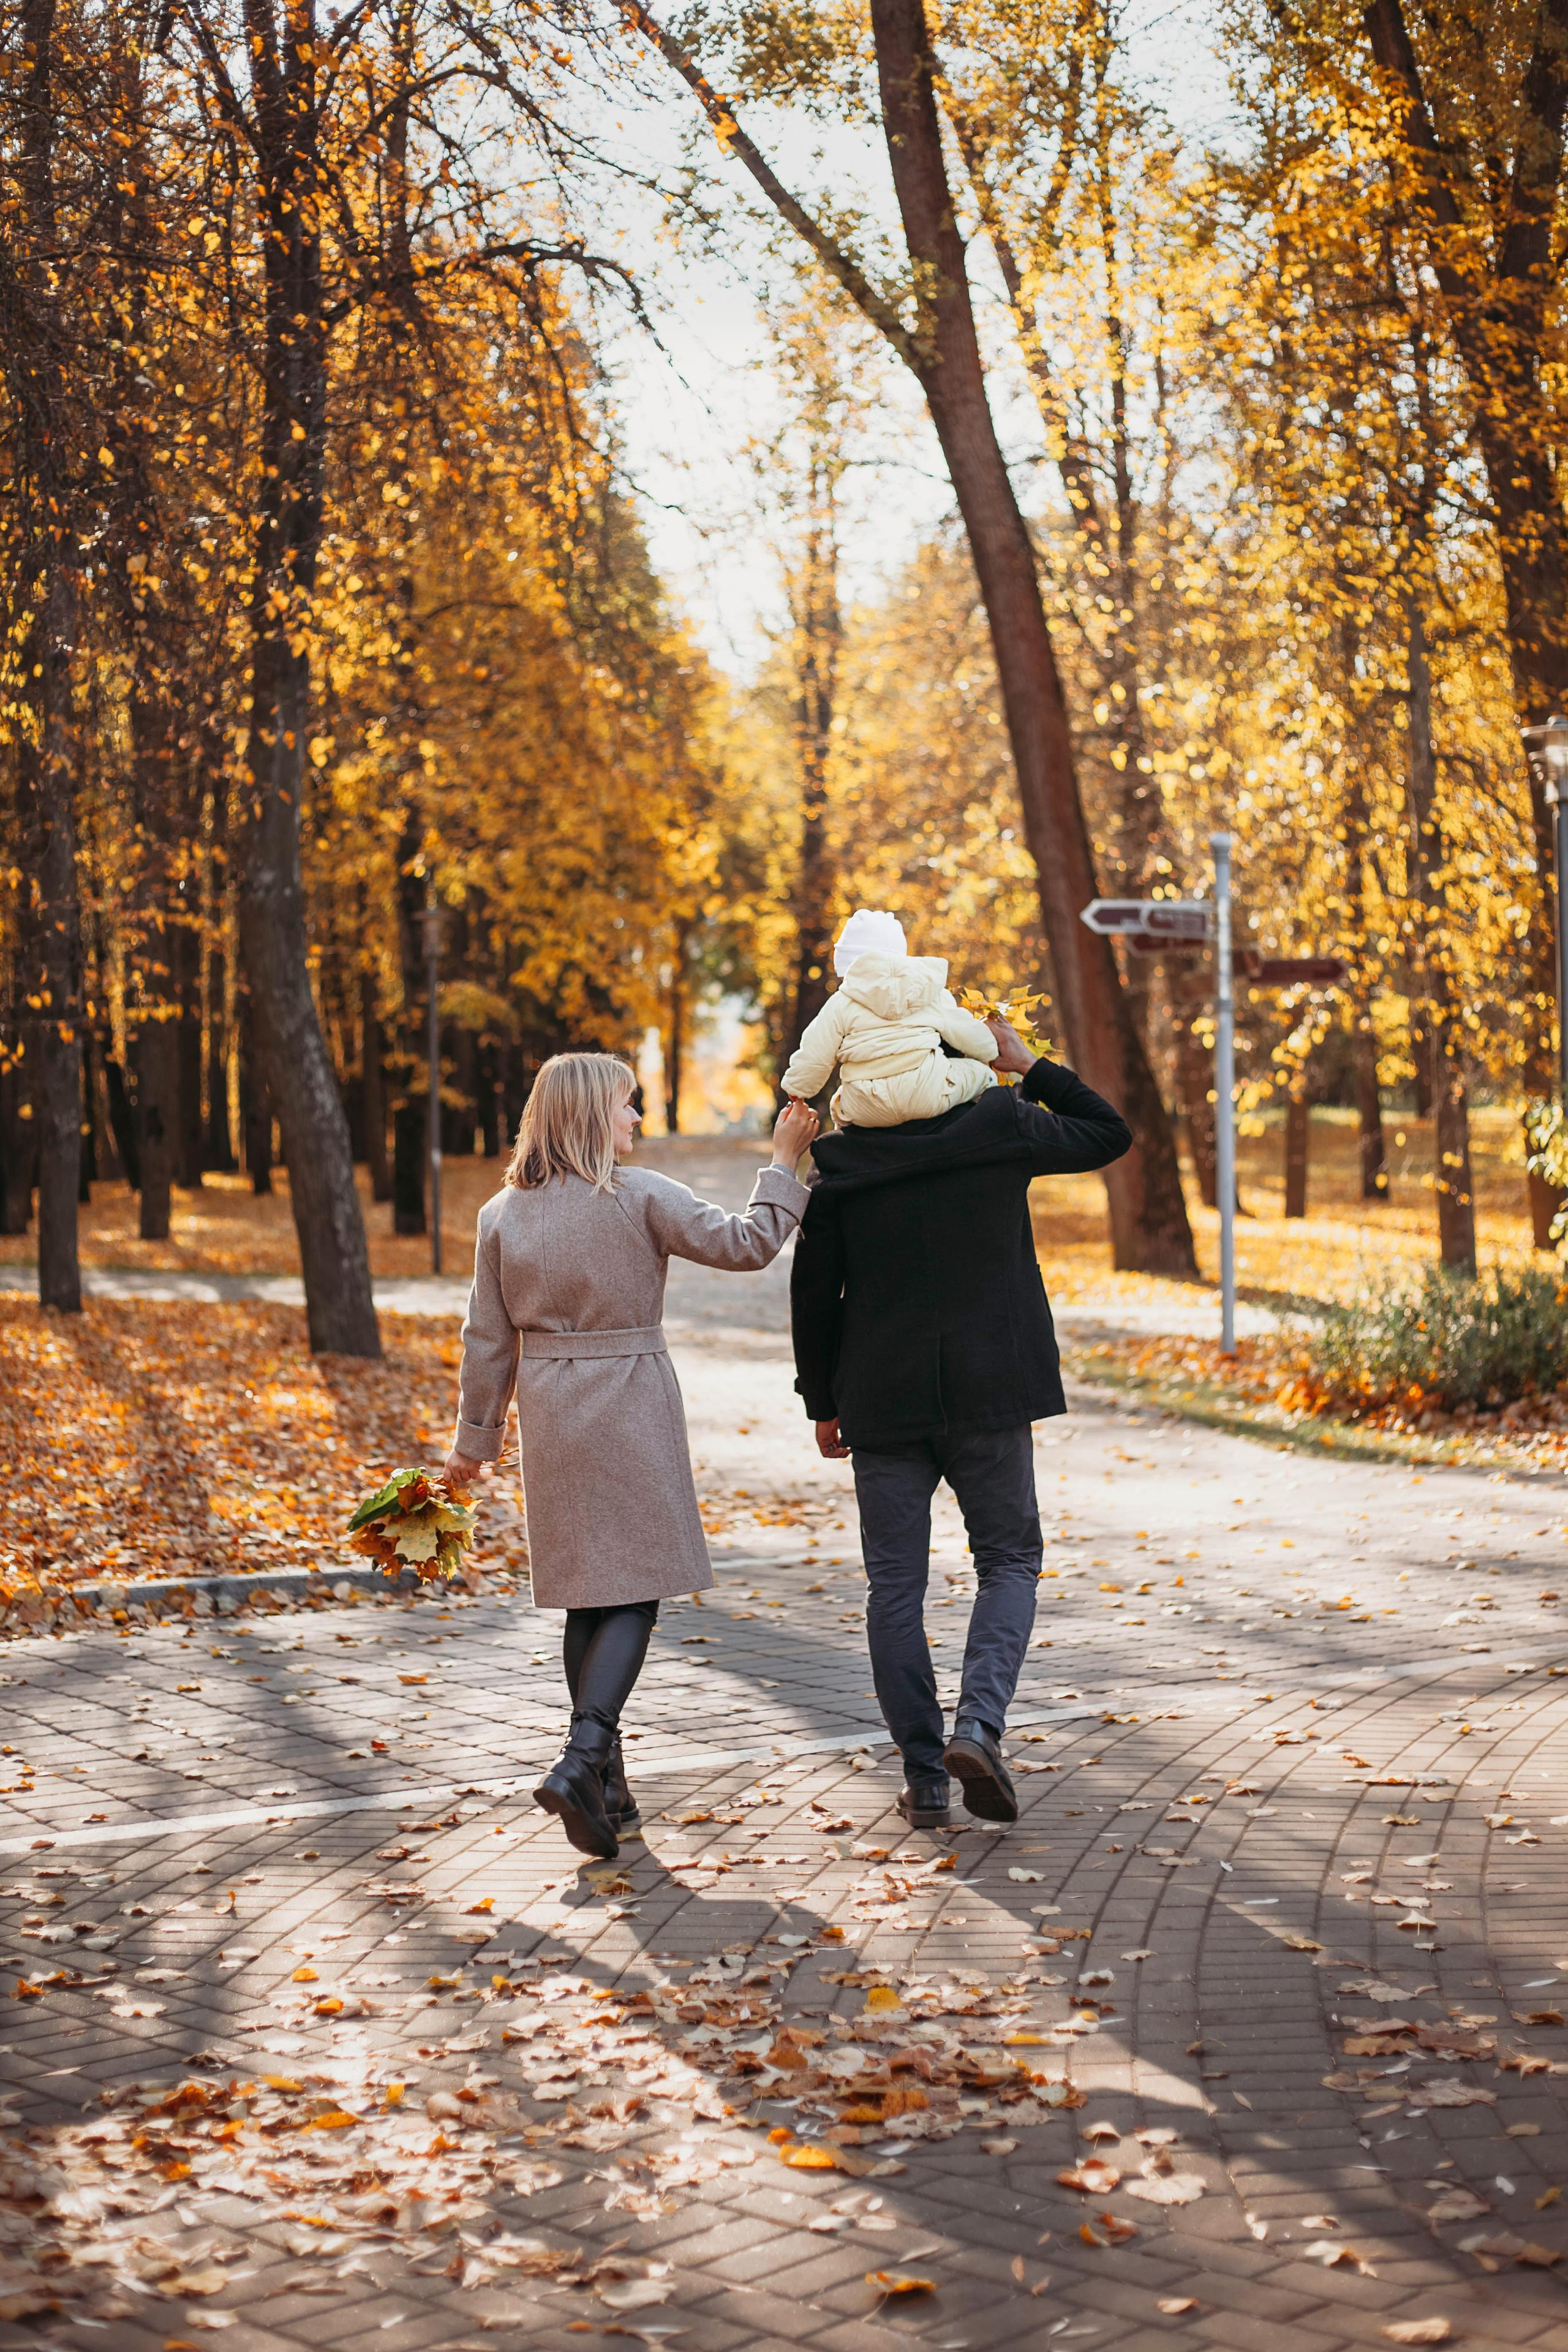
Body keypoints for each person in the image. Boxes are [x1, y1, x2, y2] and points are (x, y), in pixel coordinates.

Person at [443, 1053, 818, 1861]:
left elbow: (486, 1340)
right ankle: (583, 1760)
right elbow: (749, 1244)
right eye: (627, 1107)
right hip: (628, 1400)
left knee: (590, 1598)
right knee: (636, 1592)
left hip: (551, 1414)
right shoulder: (640, 1194)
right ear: (587, 1115)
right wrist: (785, 1163)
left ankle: (608, 1788)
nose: (637, 1121)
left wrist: (474, 1441)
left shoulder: (502, 1214)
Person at [790, 1013, 1132, 1829]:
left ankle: (925, 1779)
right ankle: (978, 1727)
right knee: (1010, 1560)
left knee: (895, 1587)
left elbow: (813, 1297)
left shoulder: (839, 1167)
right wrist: (1029, 1065)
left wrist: (823, 1403)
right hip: (991, 1388)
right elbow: (1107, 1133)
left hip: (881, 1398)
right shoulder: (1000, 1124)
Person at [780, 907, 1000, 1126]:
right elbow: (966, 1032)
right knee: (981, 1074)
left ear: (847, 968)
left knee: (840, 1103)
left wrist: (798, 1088)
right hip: (925, 1091)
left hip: (864, 1103)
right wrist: (991, 1051)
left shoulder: (841, 1003)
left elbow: (816, 1052)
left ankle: (845, 1136)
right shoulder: (928, 994)